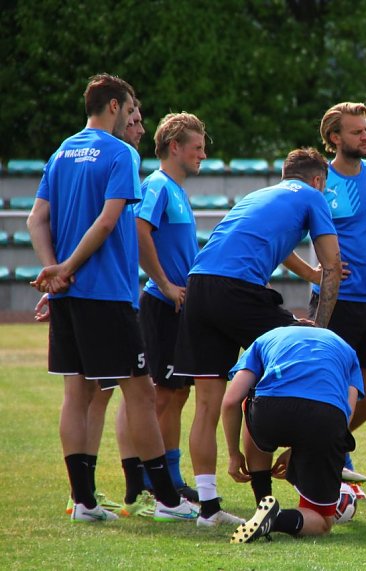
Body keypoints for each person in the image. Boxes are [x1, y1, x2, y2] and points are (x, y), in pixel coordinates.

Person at [27, 73, 197, 522]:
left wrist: (55, 274)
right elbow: (107, 222)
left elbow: (35, 220)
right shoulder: (121, 153)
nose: (133, 117)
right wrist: (65, 269)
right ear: (115, 106)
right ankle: (166, 498)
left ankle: (83, 501)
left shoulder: (62, 152)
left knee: (76, 394)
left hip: (70, 294)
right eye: (131, 107)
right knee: (140, 393)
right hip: (106, 293)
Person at [172, 147, 342, 527]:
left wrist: (310, 276)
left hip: (199, 286)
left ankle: (209, 509)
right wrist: (322, 330)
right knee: (299, 362)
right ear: (317, 180)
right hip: (238, 291)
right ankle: (279, 491)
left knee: (206, 404)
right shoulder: (314, 196)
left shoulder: (260, 196)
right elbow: (333, 264)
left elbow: (277, 251)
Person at [286, 102, 366, 485]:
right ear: (334, 138)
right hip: (336, 302)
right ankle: (333, 455)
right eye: (356, 131)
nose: (365, 136)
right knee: (330, 384)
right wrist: (314, 272)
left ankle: (330, 442)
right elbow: (282, 240)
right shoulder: (319, 182)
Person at [222, 325, 364, 542]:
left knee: (249, 400)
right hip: (326, 419)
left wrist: (234, 454)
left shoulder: (266, 338)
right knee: (322, 521)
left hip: (270, 412)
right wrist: (301, 450)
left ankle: (262, 502)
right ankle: (276, 519)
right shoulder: (347, 349)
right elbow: (346, 413)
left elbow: (232, 400)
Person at [134, 112, 209, 506]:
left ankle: (170, 479)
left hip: (179, 306)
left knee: (176, 394)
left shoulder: (176, 189)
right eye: (197, 147)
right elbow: (138, 230)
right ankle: (158, 481)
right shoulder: (158, 185)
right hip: (162, 305)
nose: (203, 154)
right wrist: (165, 284)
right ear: (175, 147)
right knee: (164, 395)